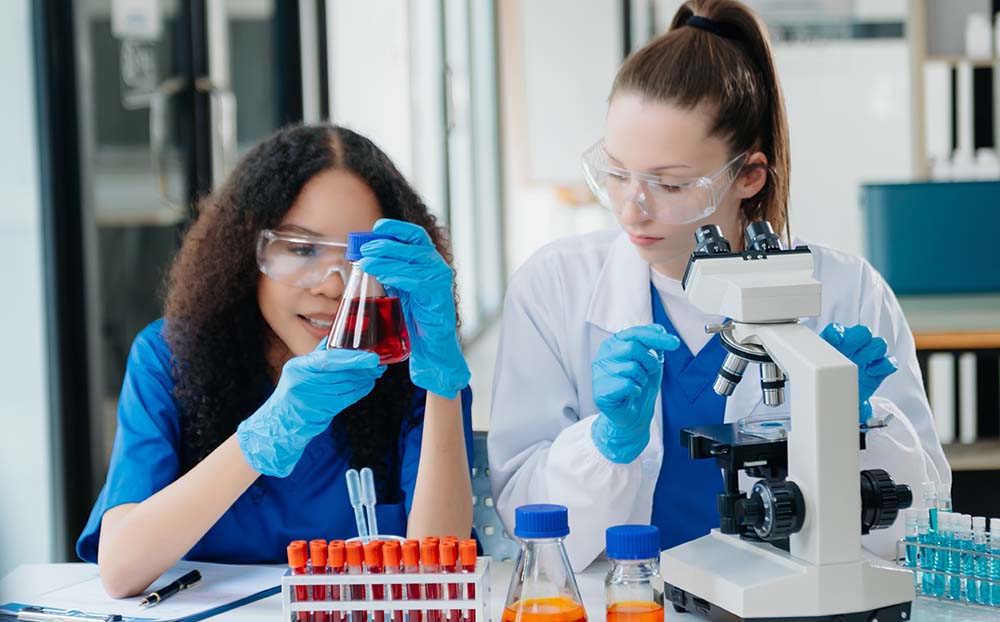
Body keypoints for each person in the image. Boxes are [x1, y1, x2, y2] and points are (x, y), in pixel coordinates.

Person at [488, 0, 949, 571]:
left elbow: (924, 520)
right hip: (626, 602)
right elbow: (522, 517)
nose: (632, 208)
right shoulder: (554, 287)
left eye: (670, 184)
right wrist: (605, 445)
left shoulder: (846, 291)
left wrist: (851, 429)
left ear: (748, 176)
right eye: (616, 173)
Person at [78, 124, 474, 596]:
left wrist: (442, 386)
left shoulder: (415, 365)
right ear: (247, 252)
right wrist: (265, 433)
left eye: (360, 256)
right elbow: (121, 570)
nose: (331, 284)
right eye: (302, 249)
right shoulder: (168, 358)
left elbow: (438, 575)